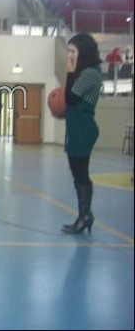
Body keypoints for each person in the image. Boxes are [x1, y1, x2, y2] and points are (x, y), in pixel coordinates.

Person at [62, 32, 103, 234]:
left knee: (81, 174)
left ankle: (85, 216)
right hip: (76, 129)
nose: (70, 55)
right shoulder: (84, 72)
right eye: (69, 51)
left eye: (73, 51)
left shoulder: (90, 74)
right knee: (78, 174)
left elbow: (71, 98)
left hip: (83, 130)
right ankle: (85, 215)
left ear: (83, 52)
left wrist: (70, 73)